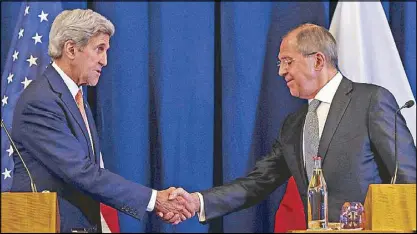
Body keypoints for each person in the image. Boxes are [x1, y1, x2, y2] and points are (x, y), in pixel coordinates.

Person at [164, 23, 416, 226]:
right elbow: (258, 182)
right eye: (280, 63)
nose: (281, 71)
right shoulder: (294, 126)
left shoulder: (371, 101)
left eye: (288, 61)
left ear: (317, 61)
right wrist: (198, 202)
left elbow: (407, 176)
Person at [10, 9, 192, 232]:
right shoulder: (41, 101)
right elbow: (81, 172)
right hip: (45, 225)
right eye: (99, 49)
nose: (105, 61)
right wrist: (155, 200)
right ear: (71, 49)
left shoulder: (74, 97)